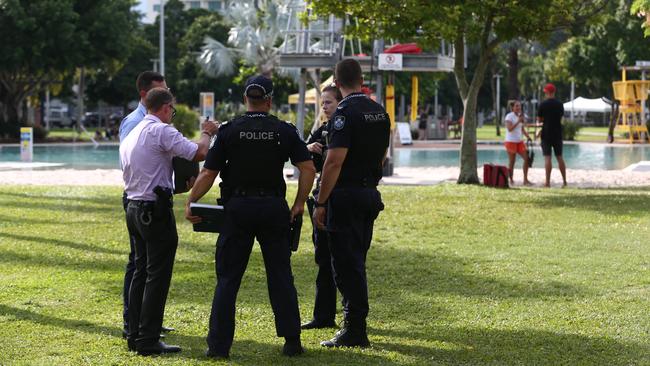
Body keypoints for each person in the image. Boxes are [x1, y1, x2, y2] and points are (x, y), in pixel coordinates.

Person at [185, 75, 316, 359]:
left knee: (228, 279)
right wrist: (298, 204)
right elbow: (307, 168)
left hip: (238, 208)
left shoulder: (230, 130)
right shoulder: (284, 130)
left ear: (247, 100)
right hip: (273, 208)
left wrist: (192, 200)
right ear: (269, 100)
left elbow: (208, 173)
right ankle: (292, 341)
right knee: (280, 275)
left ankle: (218, 347)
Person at [120, 87, 218, 356]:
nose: (171, 115)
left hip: (134, 207)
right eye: (172, 110)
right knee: (157, 276)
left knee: (141, 272)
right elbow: (199, 152)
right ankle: (149, 339)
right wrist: (208, 131)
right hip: (154, 210)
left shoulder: (134, 132)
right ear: (165, 108)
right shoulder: (161, 130)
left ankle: (134, 333)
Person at [312, 59, 390, 348]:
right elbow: (382, 154)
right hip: (368, 194)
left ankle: (355, 328)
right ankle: (354, 324)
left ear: (336, 80)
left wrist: (321, 202)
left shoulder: (344, 113)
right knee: (356, 258)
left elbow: (333, 162)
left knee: (346, 264)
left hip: (345, 196)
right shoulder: (379, 111)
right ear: (361, 78)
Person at [117, 71, 175, 340]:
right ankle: (137, 324)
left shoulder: (151, 124)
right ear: (146, 95)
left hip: (141, 200)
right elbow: (135, 164)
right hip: (142, 201)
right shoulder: (136, 123)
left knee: (144, 265)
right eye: (160, 90)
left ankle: (143, 324)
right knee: (141, 266)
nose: (165, 94)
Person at [302, 85, 343, 330]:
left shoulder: (345, 128)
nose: (325, 107)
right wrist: (308, 149)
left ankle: (350, 316)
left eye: (329, 102)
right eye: (323, 103)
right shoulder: (323, 130)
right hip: (321, 200)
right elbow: (302, 158)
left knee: (345, 262)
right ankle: (323, 315)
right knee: (323, 259)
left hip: (340, 199)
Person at [537, 83, 567, 187]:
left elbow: (540, 119)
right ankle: (564, 181)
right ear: (554, 92)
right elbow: (561, 116)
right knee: (560, 157)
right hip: (557, 133)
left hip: (546, 133)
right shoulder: (560, 104)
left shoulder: (543, 104)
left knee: (547, 158)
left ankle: (547, 182)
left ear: (547, 92)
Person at [504, 100, 532, 185]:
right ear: (512, 107)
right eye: (516, 106)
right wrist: (518, 121)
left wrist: (528, 136)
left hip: (519, 141)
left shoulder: (520, 116)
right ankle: (511, 180)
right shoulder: (509, 116)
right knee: (512, 162)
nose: (518, 107)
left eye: (519, 106)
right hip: (510, 141)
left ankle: (525, 180)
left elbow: (522, 129)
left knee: (527, 159)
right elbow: (509, 129)